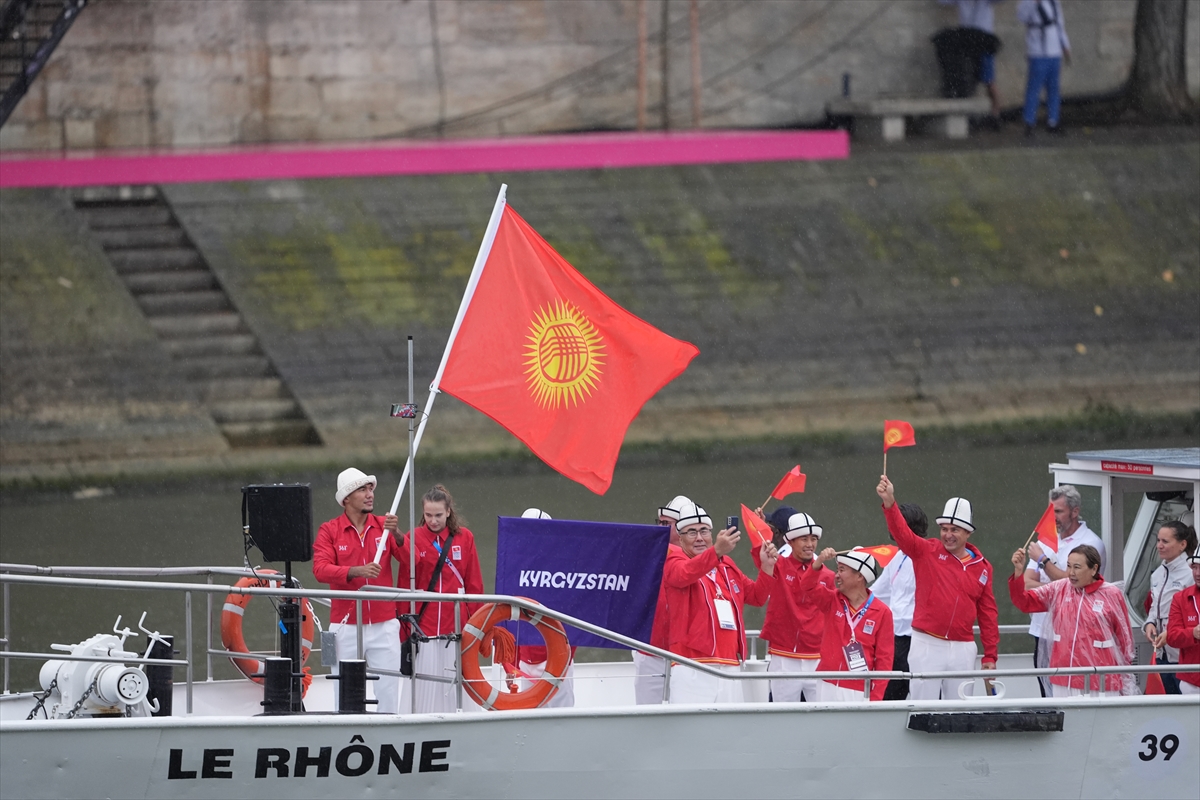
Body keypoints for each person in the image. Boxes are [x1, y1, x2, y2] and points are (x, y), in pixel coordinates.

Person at [877, 475, 1000, 700]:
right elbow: (902, 534)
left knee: (960, 710)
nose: (948, 535)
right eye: (944, 529)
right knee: (922, 708)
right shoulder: (927, 551)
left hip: (963, 647)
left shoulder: (982, 567)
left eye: (954, 530)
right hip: (927, 643)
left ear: (968, 533)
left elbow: (988, 614)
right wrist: (889, 503)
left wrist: (990, 655)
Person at [312, 467, 408, 713]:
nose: (370, 495)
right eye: (362, 490)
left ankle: (387, 735)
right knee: (345, 691)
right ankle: (346, 734)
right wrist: (356, 571)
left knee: (388, 691)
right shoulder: (329, 530)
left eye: (370, 489)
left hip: (385, 623)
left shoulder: (384, 527)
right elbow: (320, 570)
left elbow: (412, 560)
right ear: (346, 499)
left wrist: (397, 534)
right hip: (345, 625)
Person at [662, 502, 776, 703]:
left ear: (712, 532)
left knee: (728, 731)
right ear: (680, 538)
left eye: (704, 530)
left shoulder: (727, 565)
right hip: (692, 665)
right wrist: (715, 552)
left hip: (730, 665)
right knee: (693, 731)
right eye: (691, 532)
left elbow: (757, 597)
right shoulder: (674, 561)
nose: (699, 537)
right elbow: (684, 575)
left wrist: (767, 567)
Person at [1009, 544, 1136, 696]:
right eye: (1068, 566)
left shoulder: (1112, 594)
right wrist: (1018, 573)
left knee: (1100, 720)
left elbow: (1125, 639)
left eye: (1077, 567)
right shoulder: (1059, 588)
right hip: (1064, 678)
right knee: (1068, 720)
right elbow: (1025, 603)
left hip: (1101, 679)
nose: (1071, 573)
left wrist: (1127, 676)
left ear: (1094, 569)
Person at [404, 483, 485, 713]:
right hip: (425, 624)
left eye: (438, 515)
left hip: (457, 622)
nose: (433, 520)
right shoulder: (415, 537)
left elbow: (474, 584)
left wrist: (479, 625)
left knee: (456, 676)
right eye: (428, 515)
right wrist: (405, 627)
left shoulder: (465, 538)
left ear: (448, 511)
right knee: (426, 679)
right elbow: (404, 583)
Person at [1025, 485, 1105, 695]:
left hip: (1075, 632)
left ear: (1075, 511)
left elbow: (1079, 584)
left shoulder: (1091, 543)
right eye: (1050, 512)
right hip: (1042, 629)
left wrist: (1043, 561)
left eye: (1058, 511)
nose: (1053, 517)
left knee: (1071, 692)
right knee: (1046, 693)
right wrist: (1060, 585)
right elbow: (1027, 584)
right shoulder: (1046, 539)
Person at [794, 546, 893, 701]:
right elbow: (807, 586)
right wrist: (818, 562)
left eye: (842, 570)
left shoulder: (882, 612)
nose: (837, 575)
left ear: (860, 576)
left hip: (859, 689)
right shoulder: (831, 600)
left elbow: (884, 661)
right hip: (826, 682)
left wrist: (876, 697)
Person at [753, 512, 834, 702]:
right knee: (783, 718)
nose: (810, 544)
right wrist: (759, 528)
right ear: (790, 542)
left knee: (821, 717)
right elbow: (761, 557)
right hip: (784, 655)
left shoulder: (828, 575)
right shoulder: (777, 565)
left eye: (813, 539)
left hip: (817, 656)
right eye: (803, 539)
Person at [513, 508, 576, 708]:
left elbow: (573, 619)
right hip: (525, 659)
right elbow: (510, 619)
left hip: (556, 656)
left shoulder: (563, 571)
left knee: (561, 719)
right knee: (529, 720)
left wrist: (565, 656)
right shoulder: (515, 567)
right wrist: (512, 663)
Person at [633, 494, 691, 704]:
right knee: (647, 715)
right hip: (651, 649)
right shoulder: (647, 552)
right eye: (660, 523)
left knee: (685, 718)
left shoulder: (703, 559)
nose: (661, 528)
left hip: (686, 654)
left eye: (668, 524)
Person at [873, 503, 926, 701]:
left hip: (920, 637)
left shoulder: (926, 555)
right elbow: (878, 593)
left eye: (895, 524)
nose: (891, 529)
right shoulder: (896, 557)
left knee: (922, 695)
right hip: (894, 638)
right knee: (889, 696)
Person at [1143, 520, 1198, 694]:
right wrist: (1149, 623)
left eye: (1165, 541)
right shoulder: (1158, 573)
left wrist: (1171, 634)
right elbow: (1153, 607)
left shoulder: (1192, 573)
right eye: (1158, 540)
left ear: (1182, 544)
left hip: (1182, 653)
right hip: (1161, 653)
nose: (1159, 546)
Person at [1017, 0, 1070, 135]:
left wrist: (1065, 46)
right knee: (1034, 88)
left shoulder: (1053, 2)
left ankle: (1053, 121)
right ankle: (1029, 122)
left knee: (1054, 88)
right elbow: (1021, 16)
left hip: (1054, 51)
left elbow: (1059, 23)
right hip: (1037, 51)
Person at [949, 0, 1003, 120]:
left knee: (989, 81)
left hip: (985, 42)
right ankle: (970, 115)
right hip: (968, 43)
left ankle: (996, 113)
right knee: (969, 79)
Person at [1165, 552, 1200, 695]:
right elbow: (1172, 636)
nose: (1197, 573)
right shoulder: (1181, 598)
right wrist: (1193, 633)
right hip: (1192, 680)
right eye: (1194, 568)